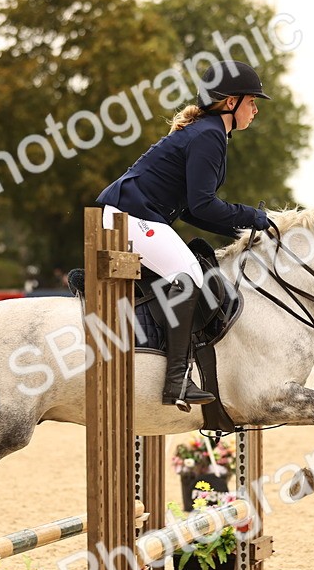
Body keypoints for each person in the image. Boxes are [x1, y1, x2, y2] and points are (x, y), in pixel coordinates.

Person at [96, 60, 272, 410]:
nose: (255, 109)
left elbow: (193, 208)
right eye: (252, 101)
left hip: (132, 214)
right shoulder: (209, 135)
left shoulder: (210, 132)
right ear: (230, 102)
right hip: (128, 216)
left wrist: (244, 227)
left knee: (189, 271)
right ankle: (176, 381)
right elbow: (204, 205)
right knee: (189, 276)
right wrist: (255, 217)